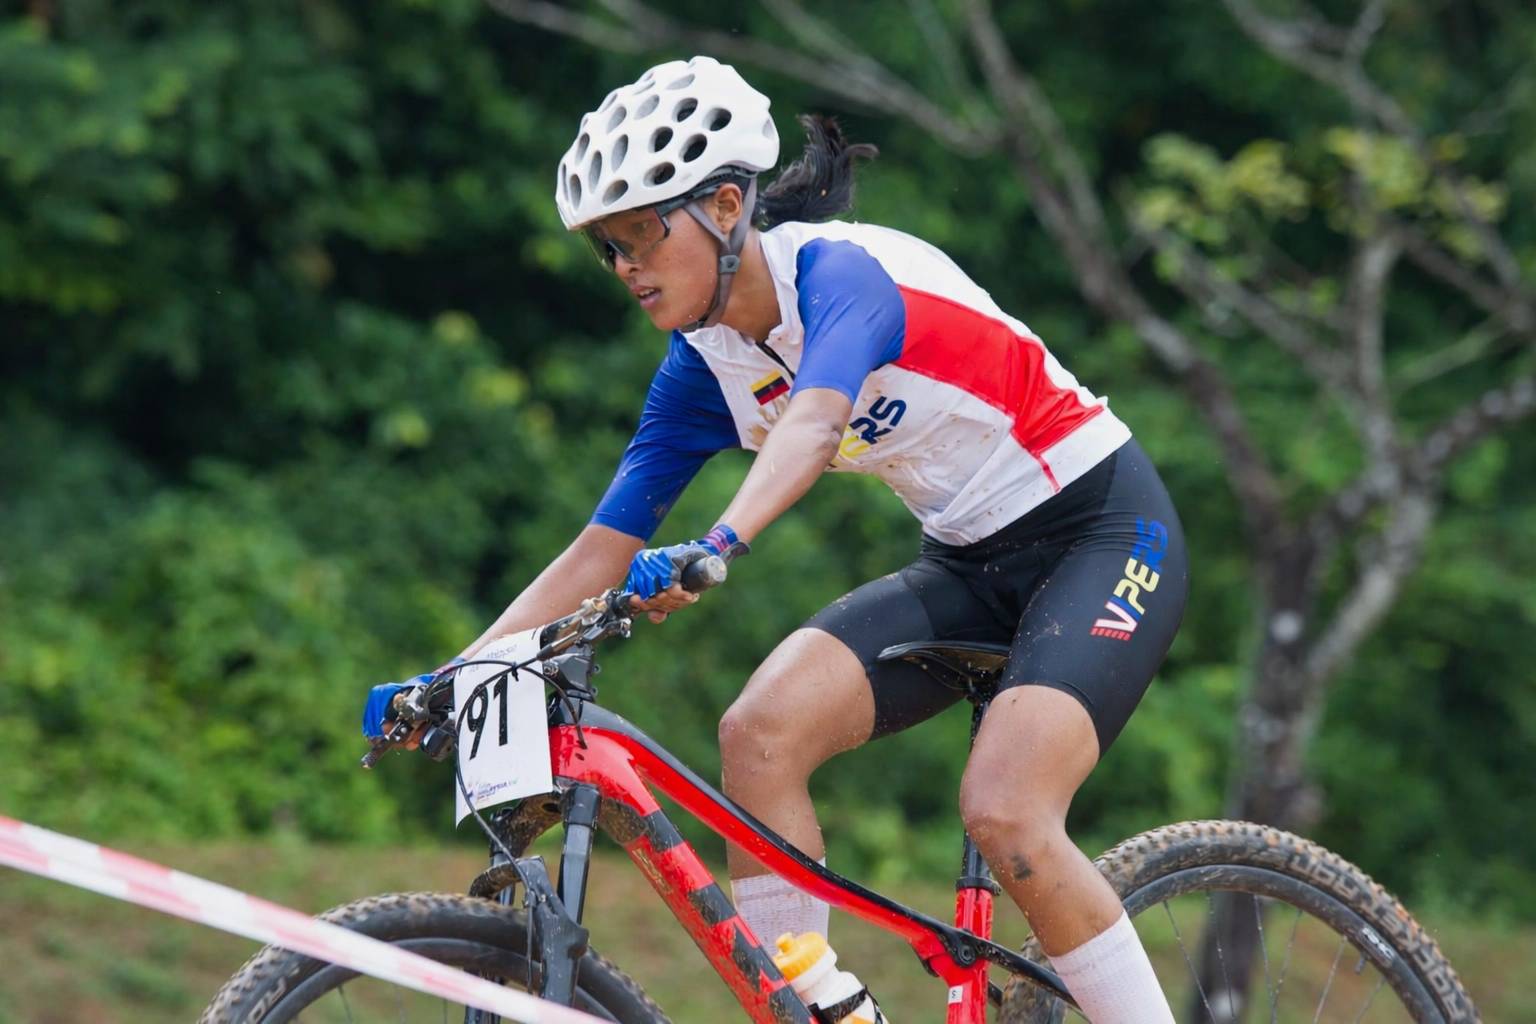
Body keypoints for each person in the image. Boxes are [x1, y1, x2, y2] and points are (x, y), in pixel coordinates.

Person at [365, 55, 1187, 1024]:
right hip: (969, 557)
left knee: (1007, 811)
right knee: (758, 734)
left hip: (1101, 530)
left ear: (725, 206)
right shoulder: (701, 367)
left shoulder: (837, 274)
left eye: (641, 233)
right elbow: (598, 549)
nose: (625, 266)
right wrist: (458, 674)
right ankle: (818, 1004)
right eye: (606, 247)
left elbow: (812, 423)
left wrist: (719, 541)